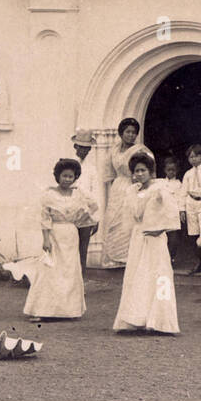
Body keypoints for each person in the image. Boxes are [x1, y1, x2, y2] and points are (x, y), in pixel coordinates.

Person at [113, 152, 180, 334]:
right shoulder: (133, 191)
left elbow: (172, 212)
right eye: (136, 171)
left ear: (151, 171)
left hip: (155, 239)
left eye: (143, 170)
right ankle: (136, 318)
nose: (139, 174)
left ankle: (161, 322)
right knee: (138, 276)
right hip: (138, 238)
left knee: (160, 277)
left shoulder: (160, 189)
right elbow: (129, 215)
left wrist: (161, 228)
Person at [24, 158, 98, 321]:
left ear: (75, 177)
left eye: (71, 176)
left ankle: (69, 311)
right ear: (58, 176)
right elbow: (44, 218)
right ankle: (43, 310)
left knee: (69, 271)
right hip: (54, 234)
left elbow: (94, 205)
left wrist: (82, 219)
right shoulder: (49, 194)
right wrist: (46, 239)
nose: (67, 179)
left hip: (71, 234)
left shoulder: (79, 193)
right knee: (50, 271)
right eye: (64, 176)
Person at [96, 117, 153, 268]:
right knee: (114, 220)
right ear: (121, 133)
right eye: (127, 132)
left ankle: (128, 256)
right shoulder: (114, 150)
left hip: (133, 185)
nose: (131, 135)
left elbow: (149, 170)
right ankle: (113, 258)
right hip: (117, 187)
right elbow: (108, 172)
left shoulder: (140, 150)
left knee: (129, 220)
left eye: (133, 133)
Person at [181, 143, 201, 277]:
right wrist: (182, 209)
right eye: (190, 157)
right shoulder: (188, 174)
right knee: (193, 235)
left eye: (196, 156)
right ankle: (199, 263)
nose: (193, 159)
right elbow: (183, 192)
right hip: (191, 203)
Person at [71, 129, 101, 269]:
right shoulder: (68, 165)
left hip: (86, 214)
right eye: (81, 147)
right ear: (75, 146)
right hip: (69, 213)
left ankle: (80, 285)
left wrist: (96, 218)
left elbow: (96, 193)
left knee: (83, 250)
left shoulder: (92, 169)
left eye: (87, 147)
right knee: (68, 251)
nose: (84, 150)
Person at [162, 154, 186, 268]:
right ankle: (163, 259)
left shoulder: (179, 184)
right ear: (165, 170)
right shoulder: (161, 183)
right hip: (163, 215)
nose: (171, 172)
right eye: (169, 170)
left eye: (173, 170)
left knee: (174, 239)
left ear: (177, 171)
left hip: (174, 215)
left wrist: (182, 211)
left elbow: (182, 199)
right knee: (163, 239)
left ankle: (171, 257)